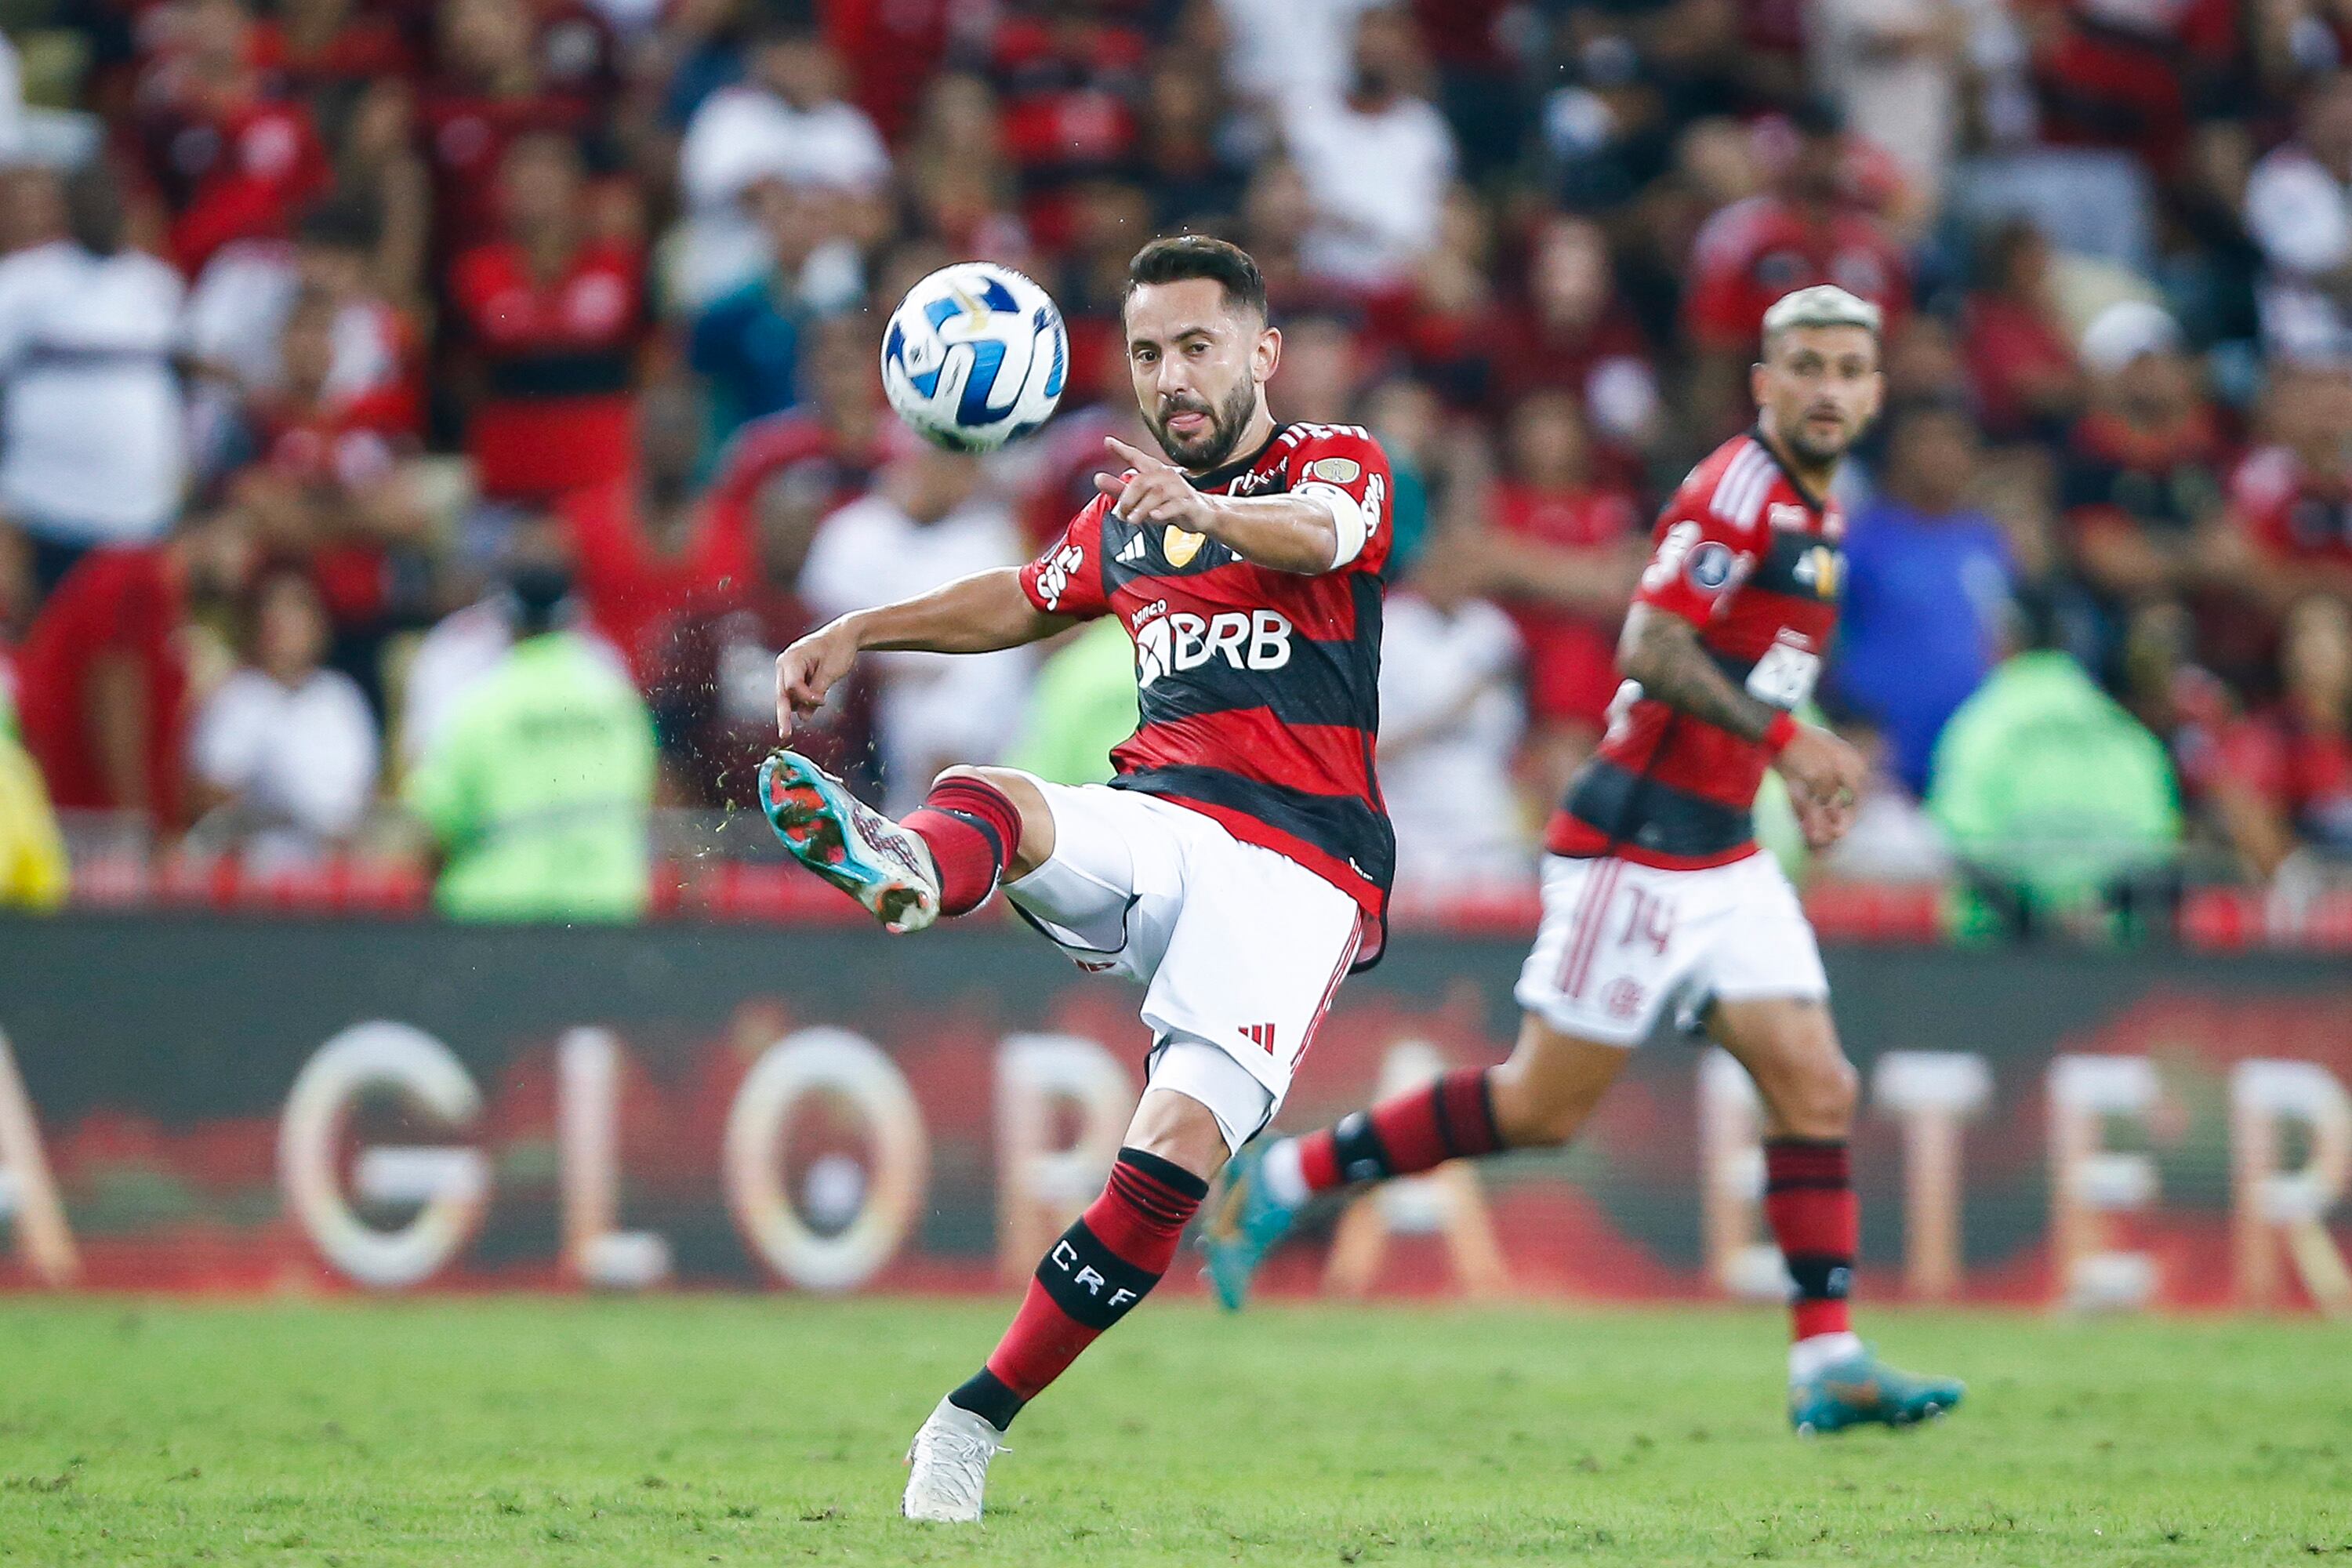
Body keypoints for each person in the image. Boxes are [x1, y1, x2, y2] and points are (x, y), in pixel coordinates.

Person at [1201, 285, 1965, 1437]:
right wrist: (1786, 744)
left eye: (1849, 368)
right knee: (1541, 1106)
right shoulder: (1736, 493)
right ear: (1765, 385)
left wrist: (1796, 770)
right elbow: (1651, 646)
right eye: (1803, 365)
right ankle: (1291, 1180)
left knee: (1816, 1084)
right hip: (1635, 847)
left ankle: (1829, 1362)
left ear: (1875, 390)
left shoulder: (1823, 508)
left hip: (1724, 848)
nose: (1825, 387)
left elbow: (1764, 671)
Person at [759, 236, 1396, 1520]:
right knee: (1003, 798)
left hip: (1302, 879)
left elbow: (1324, 538)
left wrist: (1207, 512)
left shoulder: (1334, 465)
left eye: (1198, 346)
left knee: (1168, 1164)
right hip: (1164, 822)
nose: (1171, 375)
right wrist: (858, 628)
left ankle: (968, 1423)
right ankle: (911, 873)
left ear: (1261, 353)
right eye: (1149, 352)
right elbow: (1024, 595)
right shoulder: (1129, 516)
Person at [404, 528, 655, 924]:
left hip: (498, 918)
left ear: (506, 615)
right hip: (605, 914)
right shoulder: (616, 697)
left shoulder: (481, 705)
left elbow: (431, 829)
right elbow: (645, 794)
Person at [187, 567, 379, 869]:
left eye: (297, 612)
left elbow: (367, 792)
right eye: (275, 613)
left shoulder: (341, 696)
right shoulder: (236, 697)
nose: (285, 625)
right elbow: (210, 797)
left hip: (337, 867)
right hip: (256, 872)